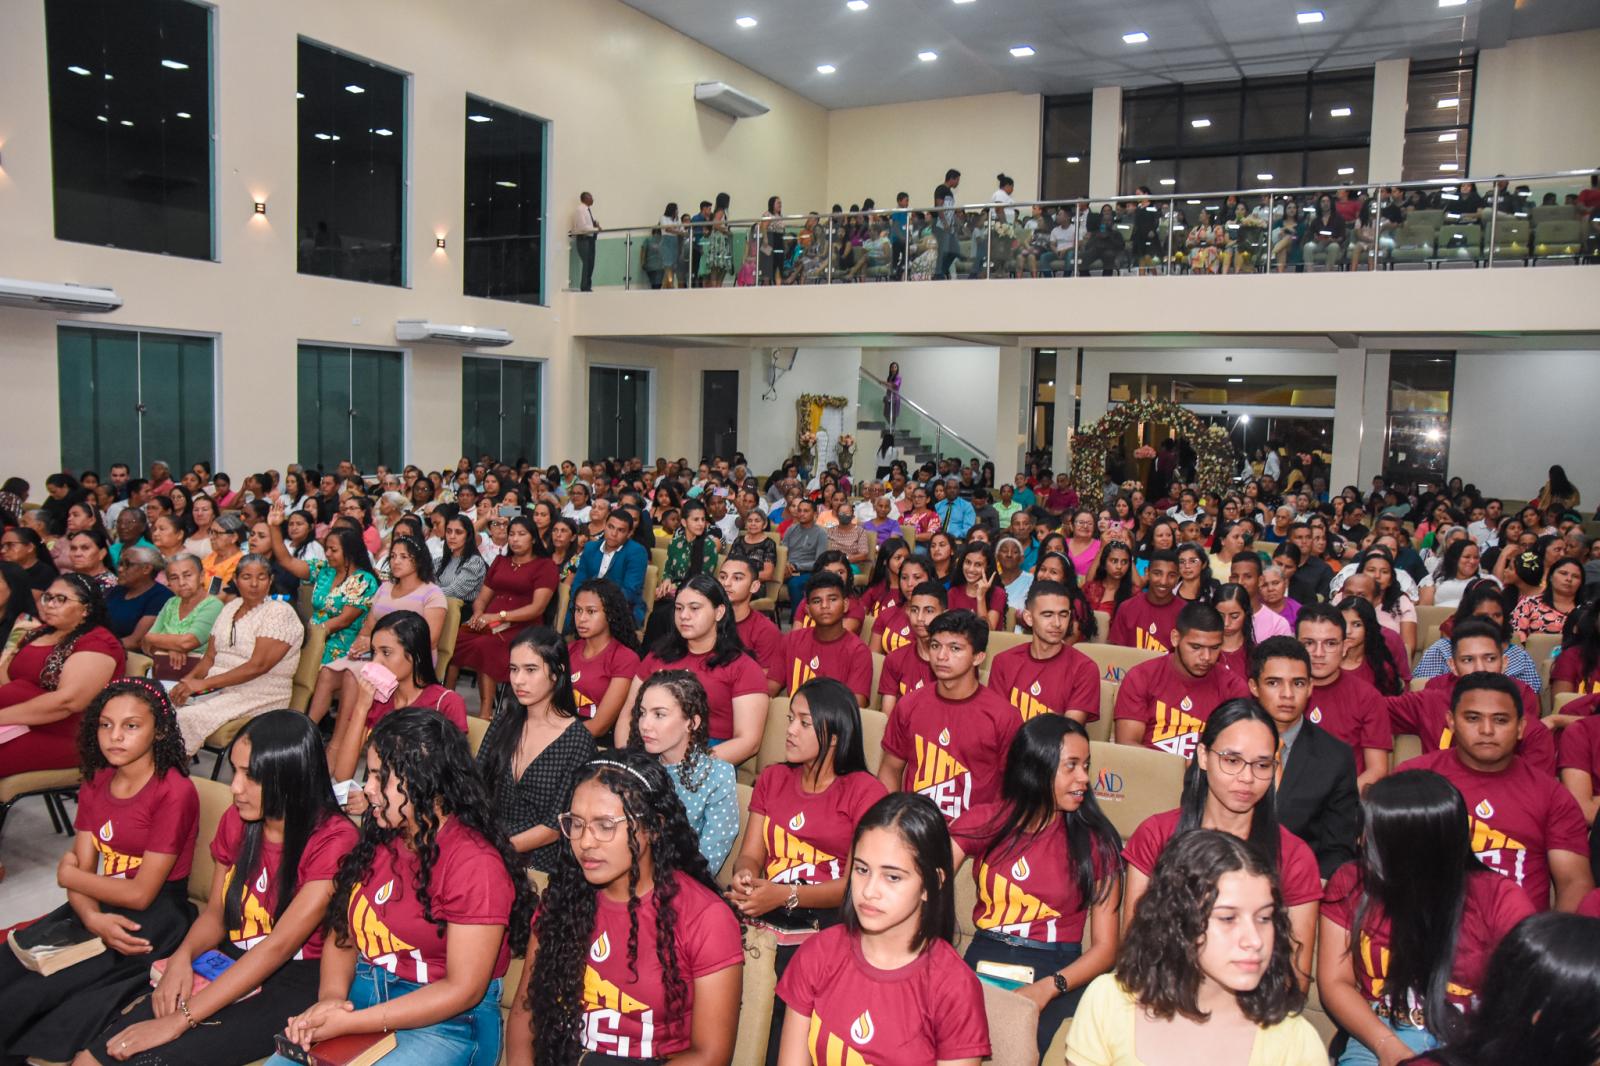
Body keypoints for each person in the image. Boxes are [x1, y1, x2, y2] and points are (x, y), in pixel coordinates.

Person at [79, 710, 357, 1066]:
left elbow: (278, 946)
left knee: (153, 1059)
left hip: (289, 979)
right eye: (235, 771)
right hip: (225, 960)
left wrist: (181, 1020)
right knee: (93, 1057)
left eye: (251, 776)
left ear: (291, 778)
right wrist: (182, 958)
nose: (235, 787)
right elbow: (215, 912)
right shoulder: (239, 819)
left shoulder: (335, 839)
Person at [268, 709, 533, 1066]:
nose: (368, 789)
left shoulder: (476, 863)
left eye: (381, 777)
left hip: (445, 1024)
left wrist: (350, 1022)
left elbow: (463, 989)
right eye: (370, 773)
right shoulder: (382, 837)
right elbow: (343, 933)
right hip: (361, 997)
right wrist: (331, 999)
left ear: (425, 780)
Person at [0, 679, 197, 1061]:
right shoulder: (97, 779)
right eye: (105, 725)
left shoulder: (174, 791)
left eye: (131, 726)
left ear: (158, 730)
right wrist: (90, 915)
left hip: (152, 918)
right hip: (99, 902)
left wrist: (72, 878)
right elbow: (83, 864)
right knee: (10, 970)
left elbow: (138, 891)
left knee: (45, 993)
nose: (114, 737)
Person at [504, 754, 744, 1066]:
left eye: (605, 826)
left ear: (653, 828)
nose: (585, 841)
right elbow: (526, 1011)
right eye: (576, 823)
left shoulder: (705, 917)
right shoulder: (564, 899)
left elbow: (711, 1055)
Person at [1317, 770, 1538, 1066]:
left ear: (1415, 846)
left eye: (1374, 834)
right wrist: (1386, 1045)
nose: (1360, 841)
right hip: (1381, 1031)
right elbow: (1335, 982)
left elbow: (1527, 998)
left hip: (1469, 1036)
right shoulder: (1351, 882)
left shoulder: (1498, 897)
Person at [726, 678, 887, 1058]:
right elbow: (750, 854)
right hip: (767, 903)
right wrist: (745, 876)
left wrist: (786, 895)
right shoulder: (773, 778)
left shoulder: (864, 791)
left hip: (824, 916)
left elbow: (854, 885)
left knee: (792, 969)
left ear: (833, 736)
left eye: (803, 722)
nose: (790, 730)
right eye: (789, 719)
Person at [1066, 830, 1323, 1066]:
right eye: (1228, 918)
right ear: (1178, 920)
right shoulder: (1110, 1002)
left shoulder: (1295, 1042)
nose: (1255, 940)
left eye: (1264, 918)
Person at [773, 791, 991, 1066]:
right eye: (862, 870)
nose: (869, 891)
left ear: (931, 884)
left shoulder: (954, 988)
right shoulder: (819, 952)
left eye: (892, 877)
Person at [950, 715, 1123, 1053]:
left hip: (1058, 970)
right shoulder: (984, 821)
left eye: (1086, 765)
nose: (1085, 778)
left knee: (1024, 1045)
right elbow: (924, 888)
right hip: (984, 955)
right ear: (1035, 768)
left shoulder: (1097, 842)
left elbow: (1106, 950)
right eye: (1071, 766)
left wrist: (1049, 987)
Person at [1122, 701, 1322, 986]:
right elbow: (1134, 950)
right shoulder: (1156, 835)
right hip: (1162, 997)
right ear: (1203, 756)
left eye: (1262, 765)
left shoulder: (1294, 856)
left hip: (1253, 1008)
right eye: (1232, 760)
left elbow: (1295, 979)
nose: (1247, 777)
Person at [1405, 672, 1592, 912]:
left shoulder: (1551, 795)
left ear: (1521, 727)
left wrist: (1547, 945)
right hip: (1432, 931)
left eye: (1501, 720)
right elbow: (1385, 868)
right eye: (1472, 718)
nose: (1486, 730)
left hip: (1519, 939)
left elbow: (1574, 882)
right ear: (1451, 722)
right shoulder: (1413, 779)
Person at [878, 610, 1020, 823]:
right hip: (914, 827)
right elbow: (890, 770)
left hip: (974, 836)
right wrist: (893, 822)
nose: (941, 656)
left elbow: (1013, 792)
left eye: (955, 648)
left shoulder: (1003, 716)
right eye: (935, 646)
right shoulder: (908, 705)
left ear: (978, 657)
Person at [476, 627, 598, 874]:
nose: (518, 680)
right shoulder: (504, 721)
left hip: (537, 864)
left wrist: (493, 850)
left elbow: (553, 828)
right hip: (487, 844)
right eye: (513, 669)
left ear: (556, 673)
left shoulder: (578, 742)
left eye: (530, 670)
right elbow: (475, 786)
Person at [621, 574, 769, 764]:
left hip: (705, 762)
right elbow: (629, 713)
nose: (684, 616)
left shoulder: (743, 667)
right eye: (679, 608)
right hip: (646, 753)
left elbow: (748, 742)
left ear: (719, 612)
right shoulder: (657, 656)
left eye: (694, 608)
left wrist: (684, 764)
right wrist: (627, 759)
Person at [169, 555, 305, 755]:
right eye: (247, 577)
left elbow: (258, 666)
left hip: (259, 693)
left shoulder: (279, 612)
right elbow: (209, 658)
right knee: (163, 709)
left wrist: (204, 684)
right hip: (218, 689)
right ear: (235, 579)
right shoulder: (230, 607)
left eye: (261, 577)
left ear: (271, 580)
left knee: (185, 718)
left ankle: (172, 777)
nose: (254, 584)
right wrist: (187, 682)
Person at [305, 533, 448, 722]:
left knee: (351, 677)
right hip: (377, 654)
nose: (396, 561)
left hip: (411, 659)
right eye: (393, 556)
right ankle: (308, 728)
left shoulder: (432, 593)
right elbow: (368, 626)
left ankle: (341, 741)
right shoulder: (385, 588)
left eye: (404, 557)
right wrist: (361, 643)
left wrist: (383, 646)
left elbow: (431, 639)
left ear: (419, 561)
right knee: (327, 673)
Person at [1249, 637, 1360, 878]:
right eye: (1273, 683)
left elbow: (1338, 851)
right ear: (1254, 687)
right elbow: (1196, 818)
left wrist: (1301, 891)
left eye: (1298, 683)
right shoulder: (1223, 742)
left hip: (1297, 887)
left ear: (1310, 687)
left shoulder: (1335, 758)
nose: (1287, 694)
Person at [1385, 619, 1556, 773]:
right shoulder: (1430, 702)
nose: (1479, 668)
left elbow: (1538, 790)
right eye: (1468, 660)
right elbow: (1365, 707)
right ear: (1452, 666)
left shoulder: (1530, 724)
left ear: (1504, 663)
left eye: (1489, 659)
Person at [326, 609, 467, 793]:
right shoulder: (377, 700)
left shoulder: (446, 702)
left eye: (386, 652)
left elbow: (453, 777)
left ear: (415, 655)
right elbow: (342, 775)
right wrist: (361, 707)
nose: (376, 662)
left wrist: (378, 799)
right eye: (374, 652)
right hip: (380, 800)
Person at [0, 574, 125, 779]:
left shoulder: (98, 643)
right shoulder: (40, 631)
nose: (50, 605)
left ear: (86, 609)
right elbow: (6, 670)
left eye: (61, 599)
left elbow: (68, 702)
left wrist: (3, 715)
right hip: (20, 721)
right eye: (47, 597)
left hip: (65, 734)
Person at [626, 668, 740, 871]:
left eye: (659, 714)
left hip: (683, 886)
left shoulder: (717, 775)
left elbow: (707, 862)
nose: (645, 724)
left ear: (692, 722)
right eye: (642, 713)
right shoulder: (634, 768)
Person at [448, 515, 558, 712]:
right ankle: (445, 700)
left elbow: (537, 608)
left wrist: (499, 616)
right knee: (453, 639)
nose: (515, 539)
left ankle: (485, 711)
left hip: (524, 626)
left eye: (521, 534)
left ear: (533, 538)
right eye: (512, 534)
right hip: (489, 622)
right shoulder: (501, 561)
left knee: (486, 645)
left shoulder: (545, 566)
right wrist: (479, 613)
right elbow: (482, 597)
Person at [1113, 603, 1250, 757]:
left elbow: (1235, 752)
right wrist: (1179, 767)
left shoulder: (1233, 687)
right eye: (1196, 647)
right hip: (1148, 774)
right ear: (1175, 638)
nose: (1206, 657)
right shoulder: (1140, 677)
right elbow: (1127, 746)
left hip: (1204, 778)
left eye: (1214, 648)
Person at [1295, 603, 1391, 790]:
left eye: (1330, 643)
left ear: (1345, 646)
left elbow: (1377, 770)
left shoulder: (1367, 696)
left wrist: (1337, 804)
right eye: (1308, 643)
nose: (1318, 654)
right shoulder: (1280, 692)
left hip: (1344, 803)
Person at [266, 515, 377, 664]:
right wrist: (274, 527)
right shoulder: (324, 569)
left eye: (333, 550)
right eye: (326, 549)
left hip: (340, 644)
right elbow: (287, 561)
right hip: (314, 636)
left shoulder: (363, 580)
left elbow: (343, 620)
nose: (327, 554)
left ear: (350, 552)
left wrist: (308, 635)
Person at [987, 579, 1100, 723]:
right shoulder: (1004, 662)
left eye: (1063, 615)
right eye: (1048, 615)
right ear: (1028, 618)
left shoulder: (1084, 668)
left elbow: (1070, 731)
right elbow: (996, 723)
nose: (1057, 623)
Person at [565, 577, 643, 738]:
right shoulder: (569, 650)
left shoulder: (625, 658)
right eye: (578, 610)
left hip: (596, 740)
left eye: (591, 611)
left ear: (610, 614)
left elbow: (600, 726)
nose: (581, 618)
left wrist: (556, 740)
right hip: (563, 728)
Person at [781, 571, 873, 704]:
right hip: (794, 721)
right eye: (817, 601)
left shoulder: (858, 651)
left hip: (835, 723)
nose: (824, 606)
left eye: (832, 599)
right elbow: (769, 688)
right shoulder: (791, 641)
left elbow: (855, 706)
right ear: (808, 610)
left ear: (846, 605)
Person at [644, 497, 720, 646]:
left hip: (696, 595)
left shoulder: (709, 545)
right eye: (696, 520)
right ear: (684, 522)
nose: (700, 524)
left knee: (664, 615)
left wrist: (676, 588)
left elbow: (702, 580)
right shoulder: (676, 542)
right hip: (672, 594)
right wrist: (666, 580)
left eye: (703, 519)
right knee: (656, 614)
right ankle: (650, 658)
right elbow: (668, 569)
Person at [566, 507, 649, 629]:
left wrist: (597, 604)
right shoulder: (590, 548)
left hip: (620, 608)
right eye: (610, 527)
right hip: (585, 604)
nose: (614, 534)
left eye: (620, 530)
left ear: (629, 533)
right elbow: (578, 581)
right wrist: (582, 603)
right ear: (604, 525)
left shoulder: (637, 552)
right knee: (567, 617)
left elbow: (630, 592)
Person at [718, 555, 784, 696]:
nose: (726, 583)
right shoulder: (705, 620)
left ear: (754, 586)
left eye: (737, 578)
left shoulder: (766, 631)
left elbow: (768, 686)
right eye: (722, 577)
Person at [879, 579, 944, 716]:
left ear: (945, 614)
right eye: (915, 610)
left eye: (929, 611)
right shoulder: (895, 659)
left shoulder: (955, 663)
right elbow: (888, 717)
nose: (920, 618)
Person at [1108, 549, 1183, 652]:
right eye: (1157, 573)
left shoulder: (1185, 613)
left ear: (1178, 578)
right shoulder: (1127, 607)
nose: (1163, 581)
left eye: (1171, 576)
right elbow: (1115, 653)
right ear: (1147, 572)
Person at [105, 545, 173, 649]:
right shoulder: (118, 590)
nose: (120, 569)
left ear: (146, 569)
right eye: (120, 564)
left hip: (130, 656)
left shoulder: (161, 596)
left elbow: (136, 641)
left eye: (127, 564)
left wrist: (98, 647)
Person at [1338, 596, 1406, 696]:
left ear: (1368, 628)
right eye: (1343, 623)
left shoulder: (1382, 669)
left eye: (1357, 625)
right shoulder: (1324, 663)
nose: (1348, 631)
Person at [1511, 556, 1583, 639]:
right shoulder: (1529, 604)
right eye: (1563, 573)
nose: (1569, 579)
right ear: (1551, 577)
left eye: (1575, 576)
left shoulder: (1588, 610)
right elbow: (1516, 640)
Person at [435, 512, 488, 603]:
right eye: (448, 531)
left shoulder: (475, 562)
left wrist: (427, 593)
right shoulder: (438, 561)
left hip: (463, 612)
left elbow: (455, 591)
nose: (452, 536)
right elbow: (428, 584)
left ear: (468, 536)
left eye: (458, 532)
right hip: (436, 606)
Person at [571, 190, 600, 292]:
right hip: (584, 239)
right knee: (587, 262)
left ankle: (588, 285)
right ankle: (584, 286)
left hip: (590, 239)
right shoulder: (580, 210)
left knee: (591, 263)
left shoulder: (587, 210)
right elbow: (582, 227)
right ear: (585, 198)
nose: (593, 199)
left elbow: (588, 225)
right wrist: (596, 229)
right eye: (591, 197)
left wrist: (595, 225)